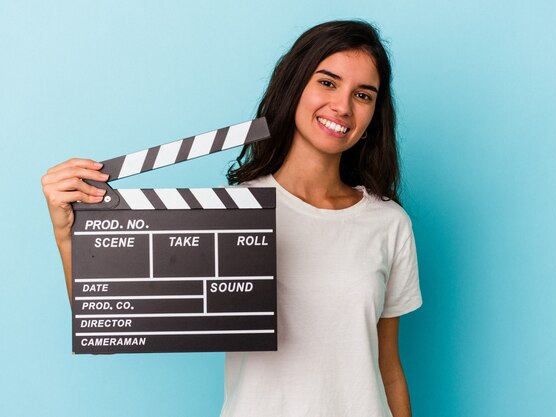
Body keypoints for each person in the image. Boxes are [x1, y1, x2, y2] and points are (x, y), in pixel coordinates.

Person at [42, 20, 421, 417]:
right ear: (295, 86)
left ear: (374, 115)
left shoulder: (388, 223)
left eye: (363, 94)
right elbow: (116, 312)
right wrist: (67, 236)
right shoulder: (234, 213)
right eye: (327, 82)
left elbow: (388, 366)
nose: (342, 106)